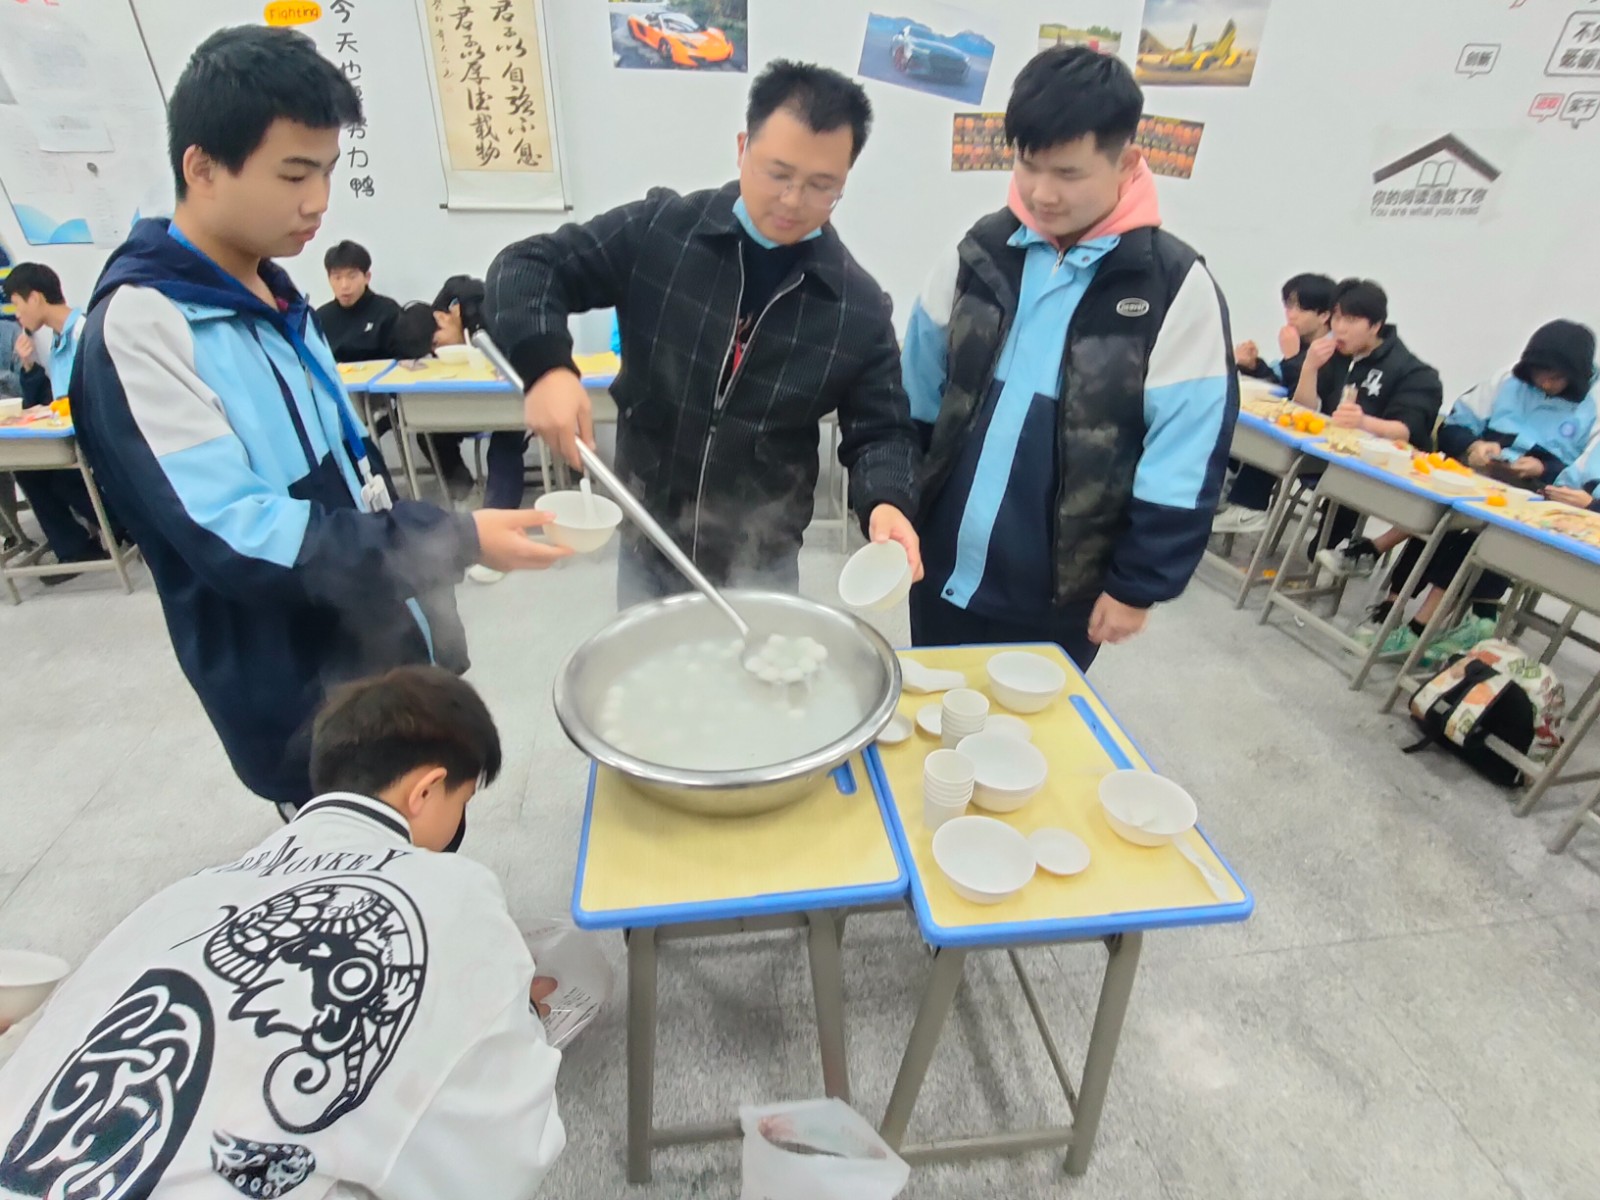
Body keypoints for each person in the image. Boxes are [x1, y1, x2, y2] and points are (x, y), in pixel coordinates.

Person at [71, 25, 572, 817]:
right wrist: (454, 538)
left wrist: (432, 605)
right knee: (360, 860)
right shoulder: (143, 329)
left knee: (432, 836)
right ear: (201, 167)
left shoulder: (276, 298)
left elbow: (352, 476)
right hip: (308, 701)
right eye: (293, 173)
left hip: (384, 660)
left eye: (329, 170)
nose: (318, 202)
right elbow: (243, 539)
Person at [0, 666, 566, 1197]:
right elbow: (498, 1155)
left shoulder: (179, 896)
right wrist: (520, 1021)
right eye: (463, 801)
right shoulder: (449, 889)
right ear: (426, 790)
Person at [487, 59, 921, 608]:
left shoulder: (855, 307)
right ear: (743, 148)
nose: (792, 201)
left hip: (762, 562)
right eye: (778, 174)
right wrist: (546, 366)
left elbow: (883, 431)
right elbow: (526, 265)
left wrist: (888, 500)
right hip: (648, 543)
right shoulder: (661, 233)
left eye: (821, 186)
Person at [900, 47, 1237, 669]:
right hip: (940, 569)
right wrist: (898, 502)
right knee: (935, 711)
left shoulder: (1171, 287)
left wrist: (1138, 583)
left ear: (1126, 162)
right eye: (1027, 165)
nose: (1041, 192)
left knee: (1030, 725)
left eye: (1068, 173)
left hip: (1061, 594)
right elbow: (915, 392)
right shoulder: (980, 253)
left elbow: (1184, 453)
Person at [1323, 320, 1598, 662]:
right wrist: (1474, 446)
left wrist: (1543, 469)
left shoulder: (1593, 404)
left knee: (1462, 528)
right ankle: (1391, 605)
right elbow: (1455, 425)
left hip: (1534, 501)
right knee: (1444, 507)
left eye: (1556, 377)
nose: (1545, 383)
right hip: (1482, 478)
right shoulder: (1508, 381)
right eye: (1540, 373)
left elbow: (1583, 478)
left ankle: (1408, 613)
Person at [1296, 277, 1443, 564]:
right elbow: (1304, 410)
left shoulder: (1414, 373)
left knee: (1344, 489)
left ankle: (1342, 551)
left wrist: (1363, 422)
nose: (1339, 327)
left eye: (1351, 320)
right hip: (1330, 455)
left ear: (1375, 325)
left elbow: (1406, 431)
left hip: (1383, 473)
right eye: (1336, 317)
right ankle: (1247, 505)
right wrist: (1309, 368)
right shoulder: (1333, 354)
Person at [2, 263, 124, 577]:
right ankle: (74, 548)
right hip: (71, 431)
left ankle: (121, 524)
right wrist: (28, 367)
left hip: (99, 437)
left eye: (17, 304)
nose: (17, 315)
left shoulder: (83, 331)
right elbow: (56, 398)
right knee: (28, 470)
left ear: (35, 298)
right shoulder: (56, 341)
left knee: (56, 473)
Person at [1214, 272, 1339, 535]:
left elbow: (1303, 405)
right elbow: (1279, 384)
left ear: (1324, 315)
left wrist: (1293, 358)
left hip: (1313, 445)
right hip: (1291, 437)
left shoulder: (1330, 353)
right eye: (1288, 306)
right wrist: (1254, 366)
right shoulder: (1302, 344)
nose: (1290, 315)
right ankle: (1221, 489)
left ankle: (1248, 508)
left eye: (1300, 308)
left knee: (1269, 430)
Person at [316, 238, 403, 363]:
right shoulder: (320, 317)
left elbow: (402, 359)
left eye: (352, 276)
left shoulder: (388, 311)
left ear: (367, 277)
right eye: (337, 277)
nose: (344, 285)